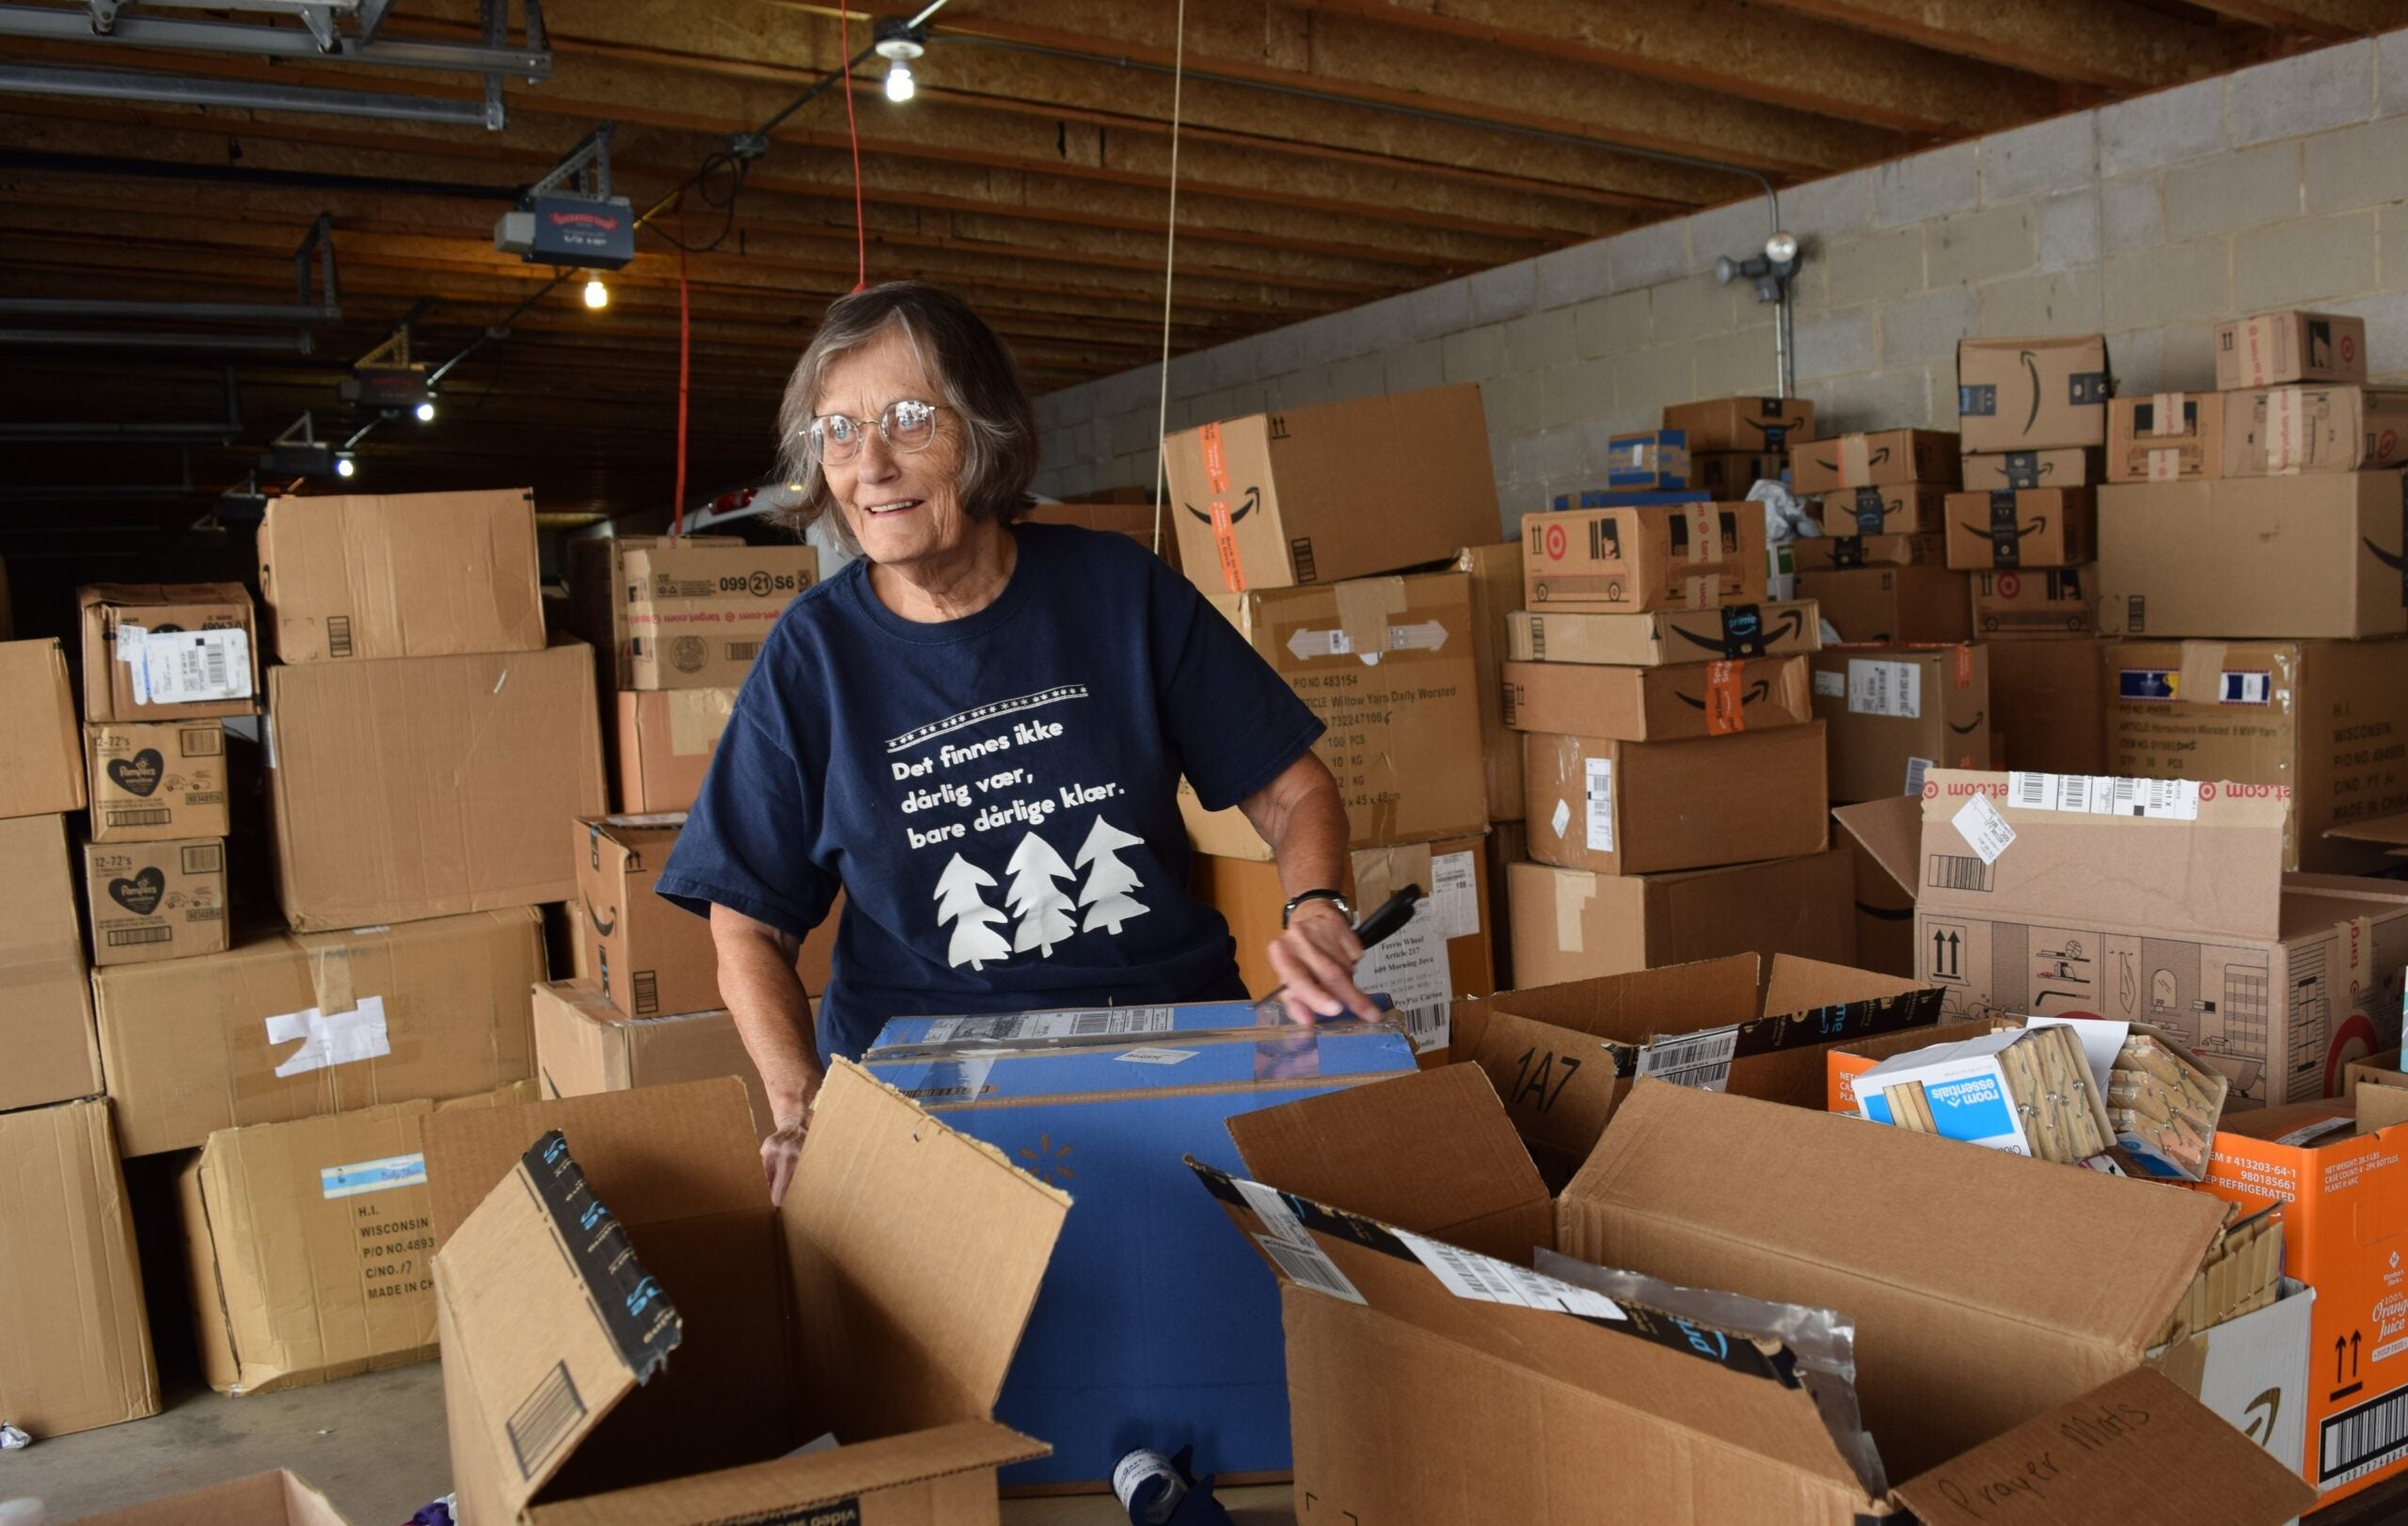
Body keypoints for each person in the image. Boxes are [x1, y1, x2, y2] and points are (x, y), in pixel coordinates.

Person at [656, 280, 1376, 1203]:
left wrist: (1316, 903)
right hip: (928, 1090)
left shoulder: (1120, 592)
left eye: (908, 418)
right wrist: (801, 1103)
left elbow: (1292, 790)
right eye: (837, 430)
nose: (867, 464)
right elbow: (748, 921)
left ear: (984, 426)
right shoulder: (813, 654)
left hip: (1165, 1049)